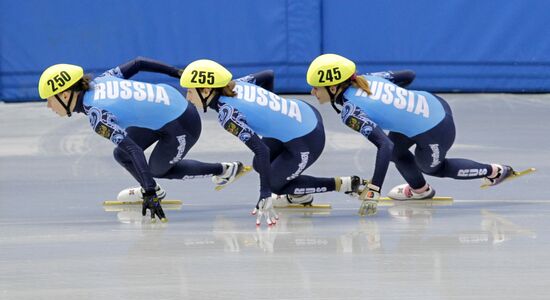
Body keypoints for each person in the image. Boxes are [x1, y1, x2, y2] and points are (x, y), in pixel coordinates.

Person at [38, 57, 247, 222]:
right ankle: (154, 188)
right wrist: (176, 73)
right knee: (120, 153)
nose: (49, 106)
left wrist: (148, 192)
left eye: (49, 99)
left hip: (183, 123)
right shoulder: (103, 78)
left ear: (65, 95)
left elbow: (135, 151)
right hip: (164, 110)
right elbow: (139, 62)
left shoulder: (96, 114)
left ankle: (225, 170)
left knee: (156, 170)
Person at [306, 54, 515, 211]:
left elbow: (383, 145)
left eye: (316, 87)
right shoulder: (368, 78)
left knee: (433, 168)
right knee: (397, 152)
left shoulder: (351, 111)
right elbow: (408, 75)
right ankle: (420, 191)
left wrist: (374, 189)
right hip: (433, 104)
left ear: (333, 88)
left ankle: (495, 171)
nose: (312, 92)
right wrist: (400, 101)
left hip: (436, 128)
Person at [179, 59, 364, 225]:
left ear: (205, 90)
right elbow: (268, 75)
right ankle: (297, 197)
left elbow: (262, 150)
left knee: (275, 184)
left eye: (189, 91)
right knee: (259, 165)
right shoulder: (239, 84)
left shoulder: (227, 115)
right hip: (303, 111)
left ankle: (346, 184)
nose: (188, 97)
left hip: (308, 137)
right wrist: (269, 110)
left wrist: (265, 194)